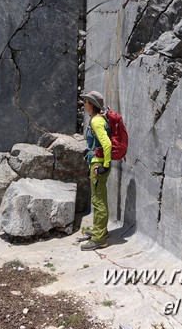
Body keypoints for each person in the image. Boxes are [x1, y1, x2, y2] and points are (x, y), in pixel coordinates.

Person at [78, 90, 111, 250]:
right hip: (96, 162)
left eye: (86, 102)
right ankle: (99, 231)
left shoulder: (96, 121)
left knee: (98, 202)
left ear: (91, 104)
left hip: (98, 165)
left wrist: (105, 165)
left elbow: (107, 144)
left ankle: (100, 239)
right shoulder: (98, 119)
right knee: (98, 200)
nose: (84, 104)